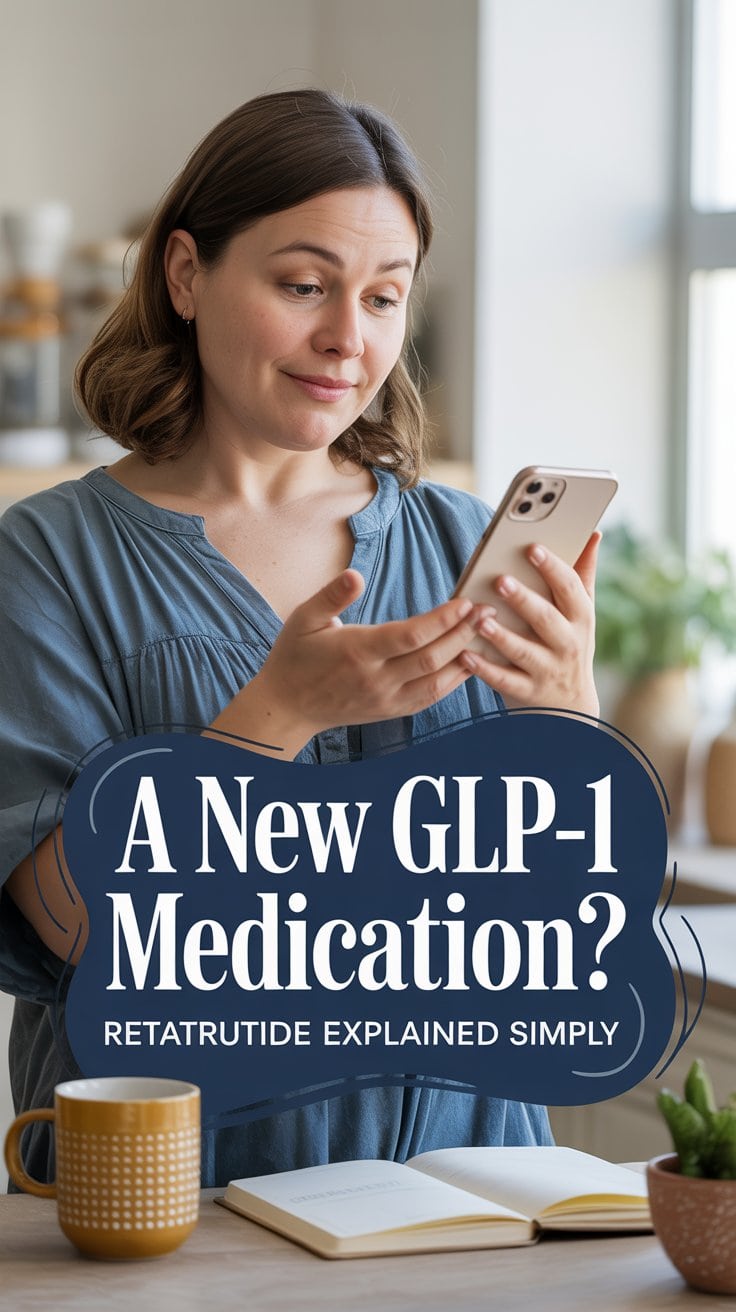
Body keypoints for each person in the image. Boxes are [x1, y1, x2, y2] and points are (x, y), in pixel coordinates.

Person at [0, 89, 599, 1188]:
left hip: (469, 1203)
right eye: (303, 285)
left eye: (383, 297)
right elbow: (68, 932)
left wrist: (563, 715)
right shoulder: (47, 561)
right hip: (179, 1210)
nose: (347, 338)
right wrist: (276, 716)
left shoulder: (461, 541)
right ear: (185, 274)